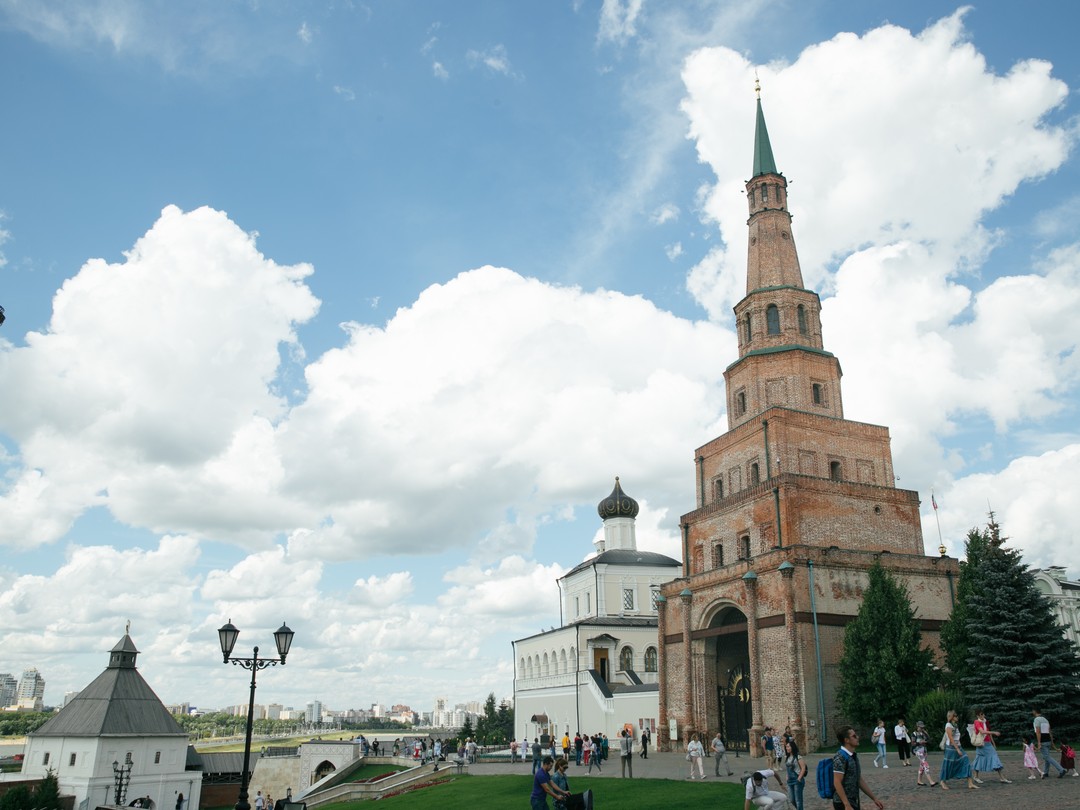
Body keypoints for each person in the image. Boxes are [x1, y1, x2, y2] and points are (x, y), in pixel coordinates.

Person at [832, 726, 884, 810]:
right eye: (854, 736)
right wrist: (846, 805)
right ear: (846, 740)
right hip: (842, 803)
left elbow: (858, 779)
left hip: (853, 801)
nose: (857, 737)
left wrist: (874, 798)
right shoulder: (840, 757)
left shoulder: (853, 756)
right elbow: (837, 782)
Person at [939, 709, 978, 789]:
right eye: (955, 716)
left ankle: (970, 783)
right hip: (951, 748)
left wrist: (959, 747)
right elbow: (950, 738)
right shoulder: (948, 725)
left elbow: (956, 738)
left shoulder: (955, 725)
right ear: (952, 717)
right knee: (948, 765)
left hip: (958, 746)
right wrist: (957, 749)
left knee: (966, 760)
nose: (957, 717)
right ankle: (942, 782)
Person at [970, 709, 1010, 783]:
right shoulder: (976, 722)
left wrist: (993, 743)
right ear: (977, 715)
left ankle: (1002, 777)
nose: (983, 716)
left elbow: (988, 734)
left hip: (988, 744)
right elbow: (982, 731)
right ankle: (976, 776)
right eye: (981, 714)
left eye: (983, 714)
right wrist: (994, 732)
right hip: (981, 744)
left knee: (994, 757)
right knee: (979, 759)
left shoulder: (985, 722)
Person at [1032, 708, 1066, 777]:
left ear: (1035, 711)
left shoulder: (1036, 719)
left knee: (1047, 757)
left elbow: (1038, 732)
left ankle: (1061, 770)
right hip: (1048, 740)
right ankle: (1045, 772)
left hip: (1043, 741)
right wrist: (1052, 742)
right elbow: (1050, 732)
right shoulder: (1045, 720)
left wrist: (1039, 742)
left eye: (1033, 711)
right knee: (1046, 757)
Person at [911, 721, 938, 787]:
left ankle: (919, 781)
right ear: (917, 727)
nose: (922, 728)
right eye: (920, 727)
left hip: (924, 750)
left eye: (922, 727)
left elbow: (929, 741)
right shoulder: (914, 734)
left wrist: (926, 735)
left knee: (922, 765)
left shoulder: (924, 733)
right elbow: (913, 743)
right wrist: (920, 743)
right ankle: (931, 781)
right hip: (917, 750)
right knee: (925, 764)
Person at [784, 739, 807, 810]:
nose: (787, 748)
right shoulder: (787, 757)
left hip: (797, 780)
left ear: (792, 747)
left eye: (788, 747)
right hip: (790, 781)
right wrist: (787, 776)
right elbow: (788, 769)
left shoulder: (798, 757)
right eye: (786, 747)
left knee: (798, 800)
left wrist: (799, 778)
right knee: (792, 799)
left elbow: (803, 768)